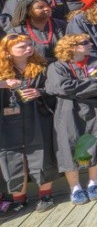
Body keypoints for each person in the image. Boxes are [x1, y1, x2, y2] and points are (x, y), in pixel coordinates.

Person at [44, 35, 97, 205]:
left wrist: (77, 86)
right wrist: (92, 83)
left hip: (95, 109)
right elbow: (61, 87)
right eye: (85, 43)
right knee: (69, 146)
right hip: (68, 112)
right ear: (71, 47)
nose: (91, 44)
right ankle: (75, 188)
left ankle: (93, 183)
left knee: (95, 143)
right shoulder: (57, 66)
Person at [0, 35, 56, 214]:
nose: (28, 49)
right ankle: (19, 199)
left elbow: (56, 87)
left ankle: (46, 195)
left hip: (38, 115)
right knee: (12, 157)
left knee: (42, 152)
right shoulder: (2, 71)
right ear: (8, 53)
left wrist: (40, 92)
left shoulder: (44, 66)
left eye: (30, 45)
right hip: (8, 119)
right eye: (21, 47)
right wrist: (3, 83)